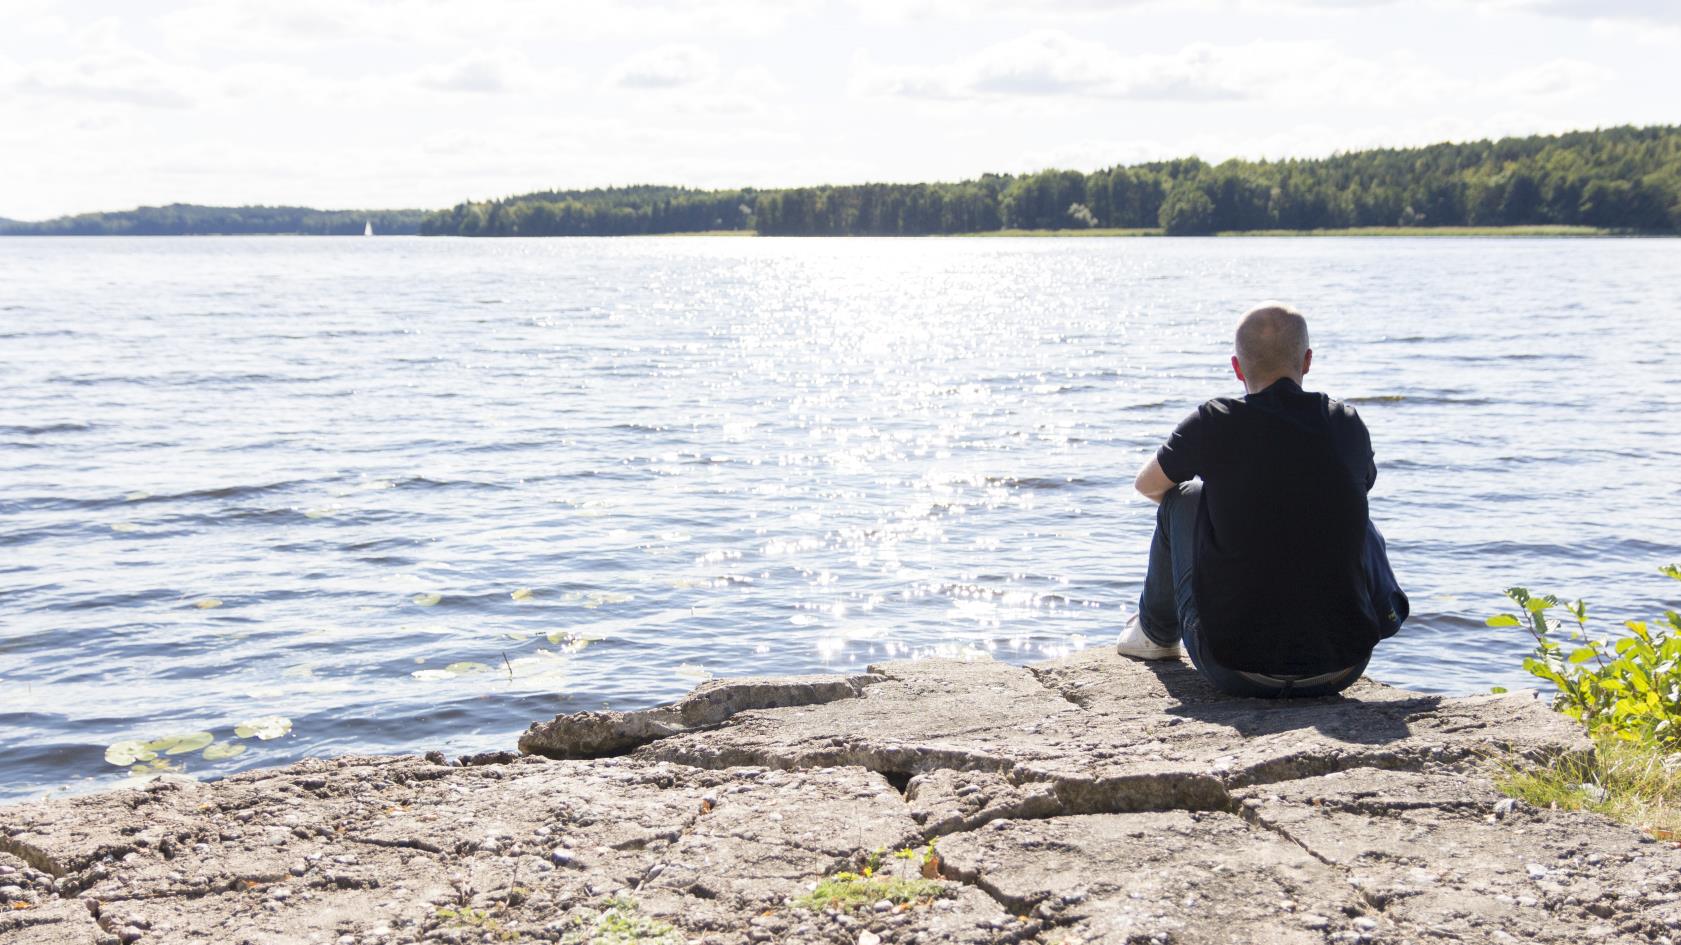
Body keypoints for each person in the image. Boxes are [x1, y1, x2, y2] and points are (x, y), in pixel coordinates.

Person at [1116, 302, 1408, 698]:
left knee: (1182, 497)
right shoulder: (1346, 423)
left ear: (1237, 368)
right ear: (1307, 361)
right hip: (1343, 666)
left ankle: (1155, 634)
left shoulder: (1214, 420)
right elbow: (1361, 489)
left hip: (1234, 667)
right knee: (1341, 501)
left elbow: (1147, 485)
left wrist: (1223, 512)